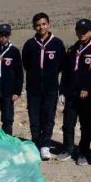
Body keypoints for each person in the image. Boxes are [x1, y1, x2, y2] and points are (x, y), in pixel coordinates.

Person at [58, 19, 91, 165]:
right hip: (71, 94)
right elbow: (66, 72)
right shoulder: (72, 49)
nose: (81, 33)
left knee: (86, 125)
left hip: (87, 96)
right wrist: (62, 91)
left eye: (85, 31)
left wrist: (87, 88)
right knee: (68, 123)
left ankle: (84, 152)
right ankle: (68, 148)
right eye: (79, 31)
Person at [21, 12, 66, 160]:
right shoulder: (30, 44)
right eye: (38, 25)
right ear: (34, 27)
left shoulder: (57, 43)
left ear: (49, 24)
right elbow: (26, 64)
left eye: (44, 24)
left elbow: (61, 64)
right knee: (34, 116)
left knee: (48, 116)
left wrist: (49, 75)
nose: (41, 27)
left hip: (50, 87)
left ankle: (45, 144)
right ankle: (35, 142)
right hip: (33, 87)